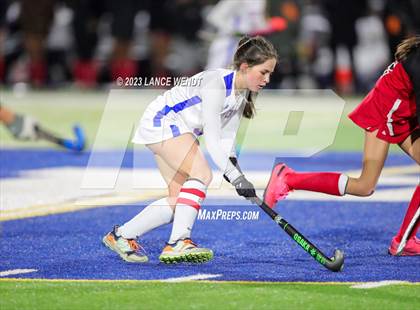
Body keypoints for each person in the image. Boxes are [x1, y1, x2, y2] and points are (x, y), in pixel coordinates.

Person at [102, 36, 278, 264]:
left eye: (270, 74)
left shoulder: (240, 94)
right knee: (202, 174)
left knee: (180, 201)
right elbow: (213, 141)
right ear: (245, 67)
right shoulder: (216, 84)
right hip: (163, 121)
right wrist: (236, 178)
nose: (267, 79)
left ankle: (121, 235)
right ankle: (178, 242)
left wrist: (238, 176)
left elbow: (226, 141)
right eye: (264, 72)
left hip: (176, 128)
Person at [263, 36, 420, 256]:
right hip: (387, 111)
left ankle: (406, 240)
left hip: (403, 110)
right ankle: (288, 178)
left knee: (365, 186)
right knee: (365, 185)